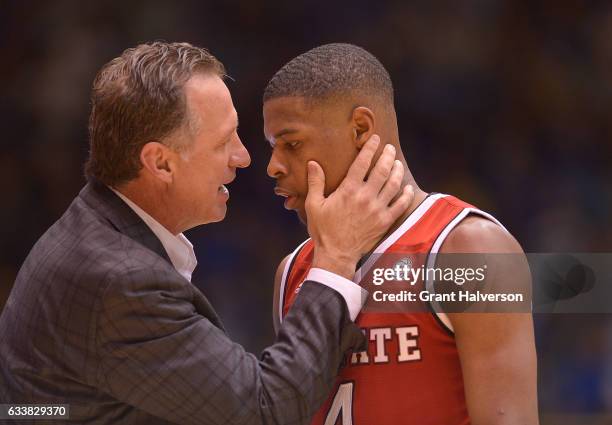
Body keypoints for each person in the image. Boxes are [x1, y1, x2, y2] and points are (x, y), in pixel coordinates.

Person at [0, 42, 415, 424]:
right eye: (223, 142)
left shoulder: (469, 243)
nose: (246, 157)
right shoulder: (118, 278)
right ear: (161, 163)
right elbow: (266, 410)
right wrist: (337, 257)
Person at [264, 43, 538, 425]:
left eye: (291, 144)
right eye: (271, 146)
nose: (273, 166)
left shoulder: (469, 248)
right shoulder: (291, 271)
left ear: (360, 128)